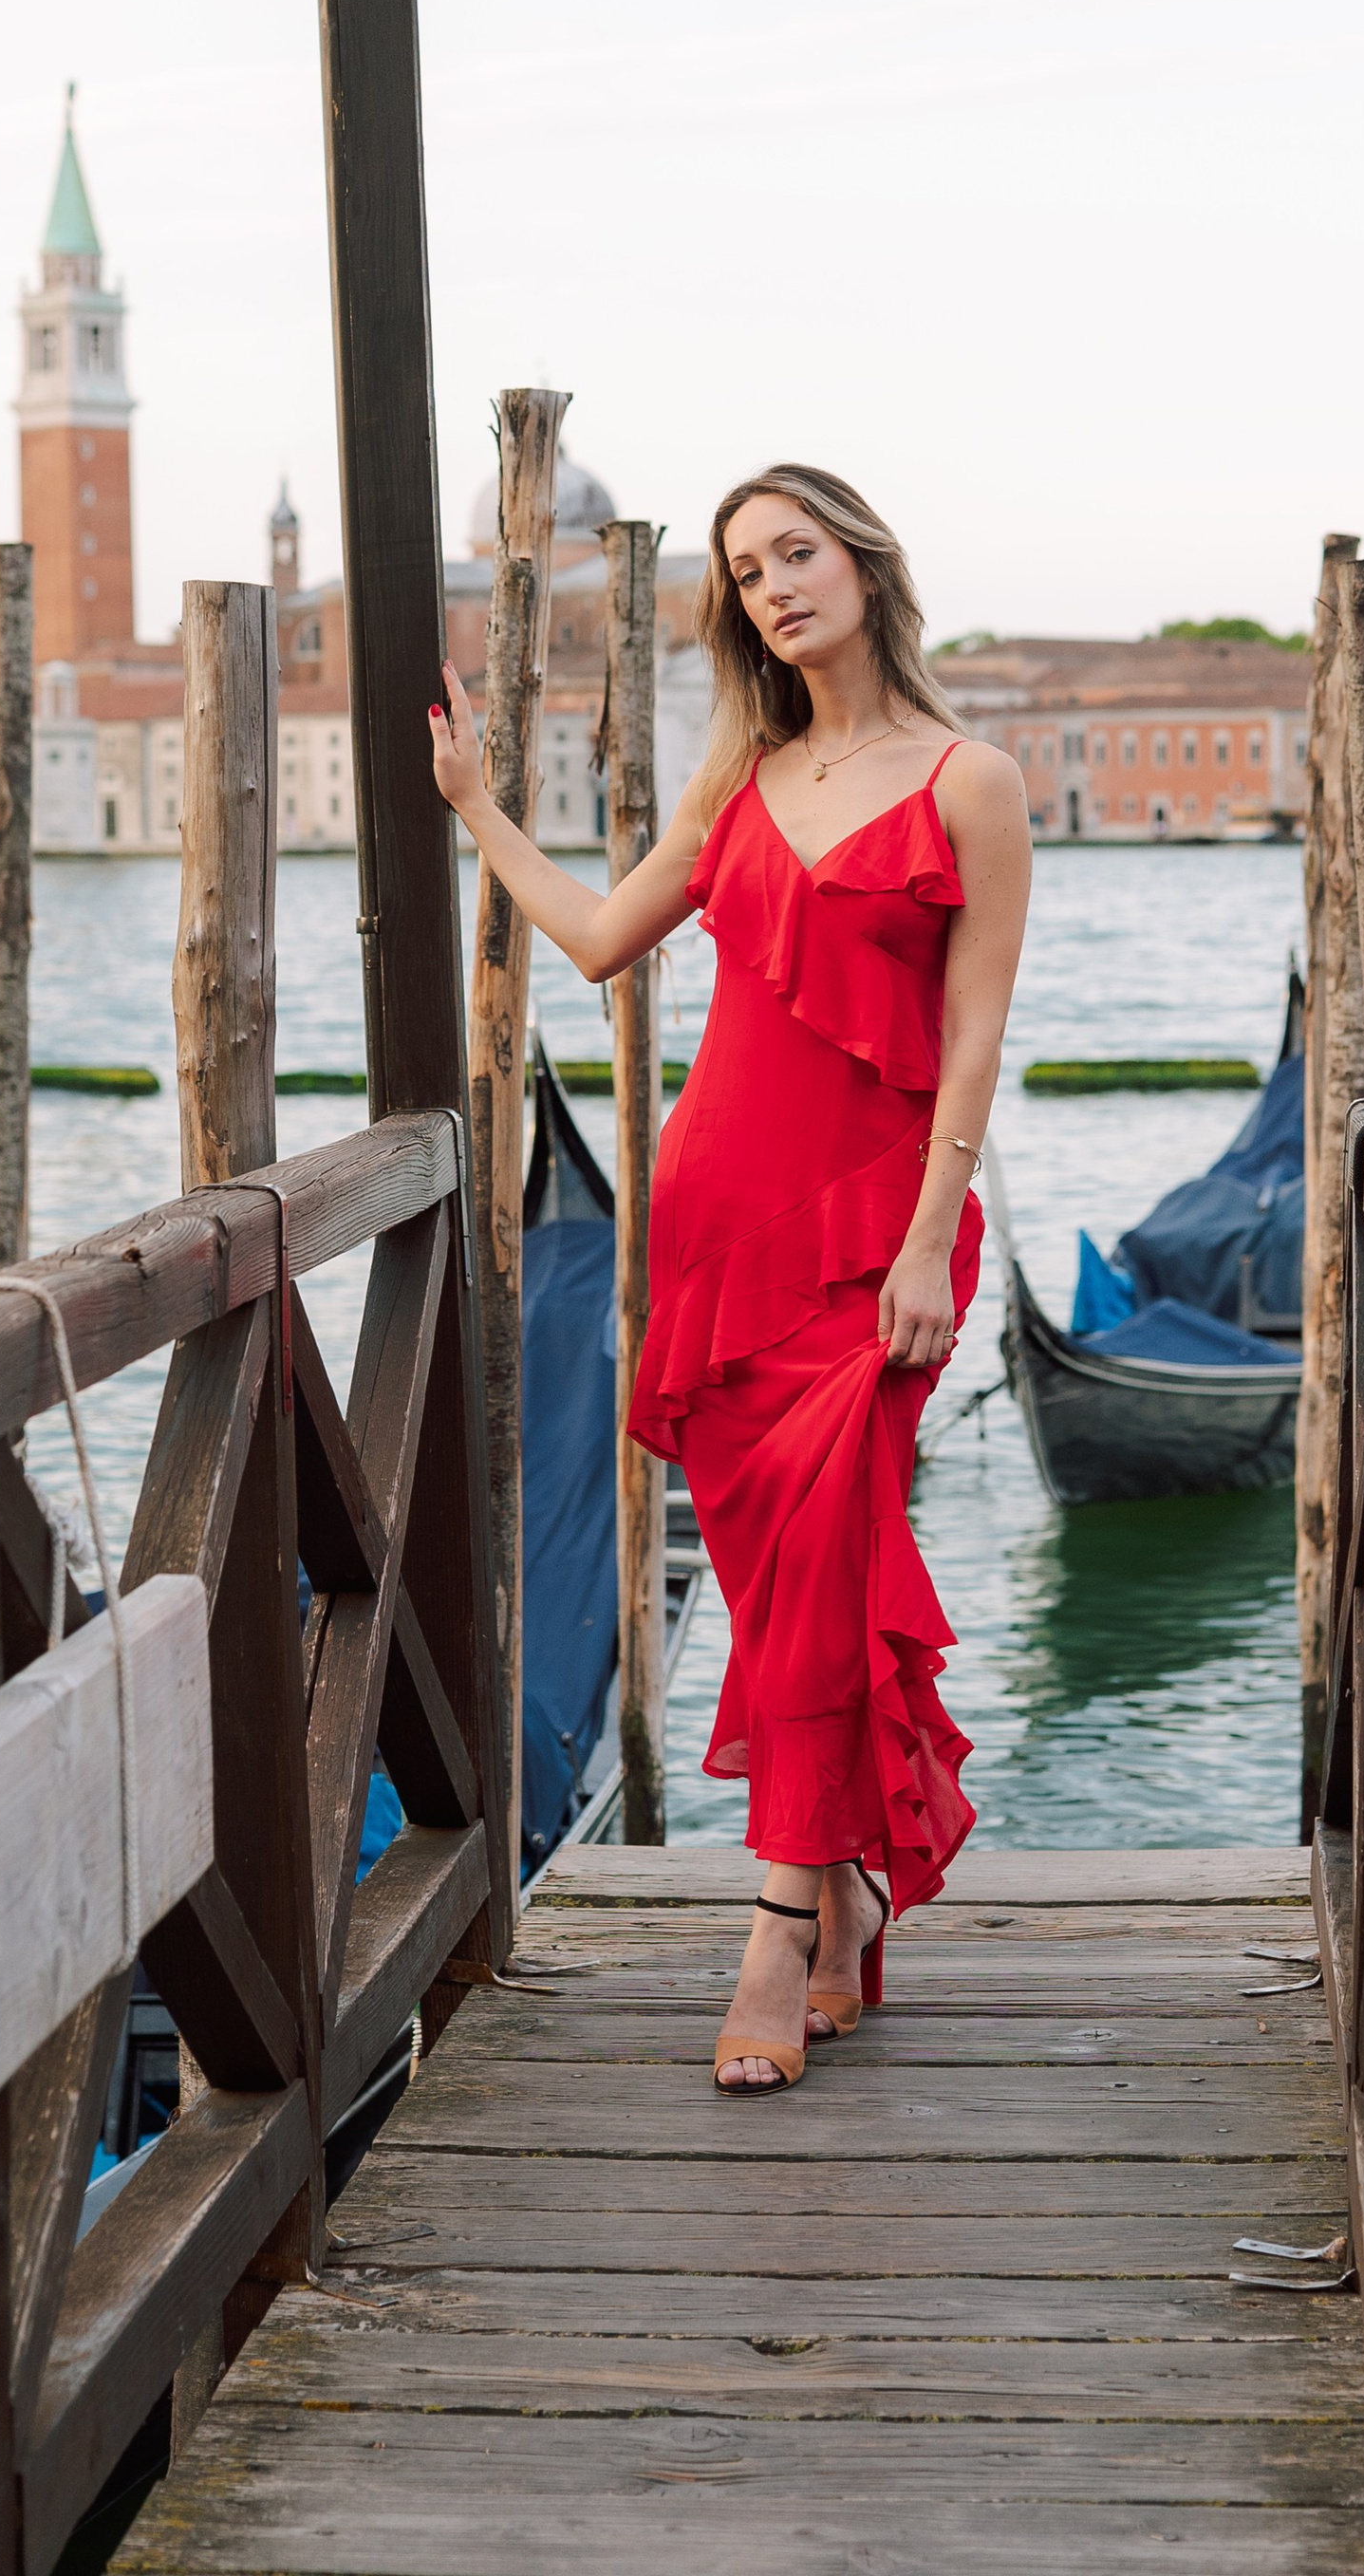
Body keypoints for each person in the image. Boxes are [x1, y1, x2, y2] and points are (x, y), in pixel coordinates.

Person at [428, 461, 1032, 2092]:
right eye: (747, 572)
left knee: (833, 1555)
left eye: (796, 552)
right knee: (777, 1593)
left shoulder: (971, 781)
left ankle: (775, 1925)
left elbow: (975, 1033)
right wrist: (479, 810)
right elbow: (597, 940)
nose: (775, 587)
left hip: (877, 1236)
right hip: (713, 1226)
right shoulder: (738, 781)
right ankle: (843, 1906)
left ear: (865, 564)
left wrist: (928, 1239)